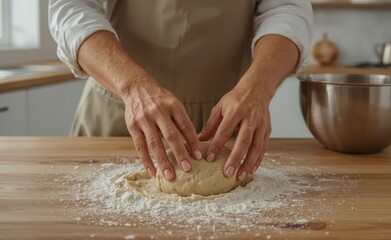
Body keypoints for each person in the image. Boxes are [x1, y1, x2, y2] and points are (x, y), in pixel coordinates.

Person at [49, 0, 313, 182]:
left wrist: (258, 87)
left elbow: (286, 8)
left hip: (226, 121)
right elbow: (73, 7)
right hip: (120, 113)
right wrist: (132, 86)